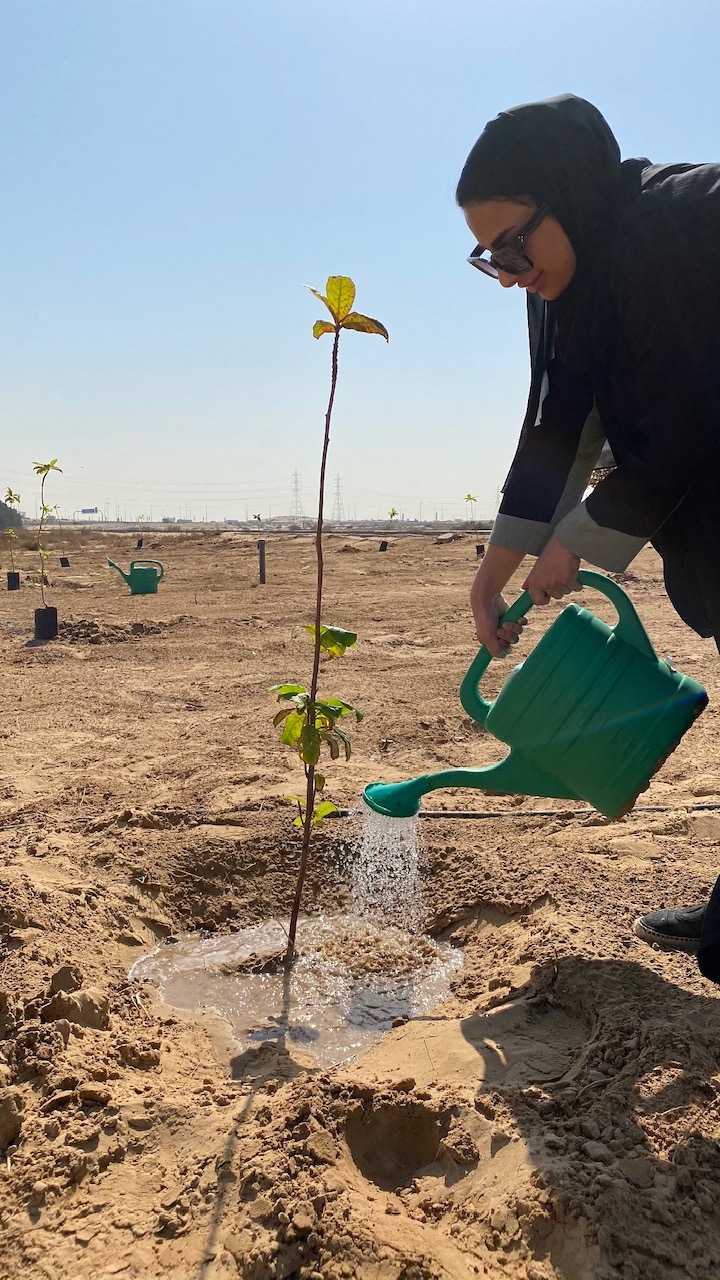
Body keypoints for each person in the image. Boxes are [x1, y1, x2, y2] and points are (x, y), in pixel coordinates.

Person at [455, 93, 720, 982]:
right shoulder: (561, 286)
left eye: (512, 246)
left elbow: (688, 422)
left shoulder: (681, 228)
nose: (506, 272)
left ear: (567, 193)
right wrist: (492, 575)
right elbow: (556, 430)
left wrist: (579, 536)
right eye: (487, 256)